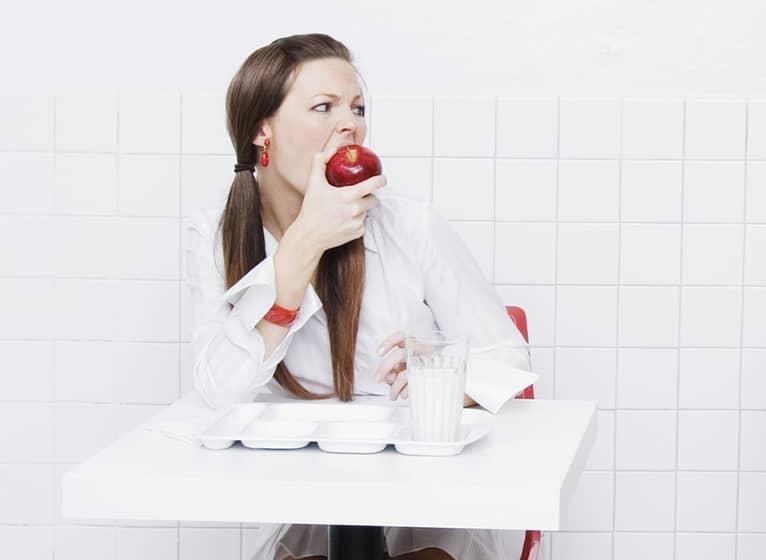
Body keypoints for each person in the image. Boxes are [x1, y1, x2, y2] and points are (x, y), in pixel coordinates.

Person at [184, 33, 532, 560]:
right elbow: (218, 392)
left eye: (357, 107)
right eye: (323, 107)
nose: (349, 123)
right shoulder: (217, 235)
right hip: (308, 491)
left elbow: (507, 356)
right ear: (263, 131)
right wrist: (304, 242)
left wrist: (440, 371)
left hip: (428, 486)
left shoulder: (409, 225)